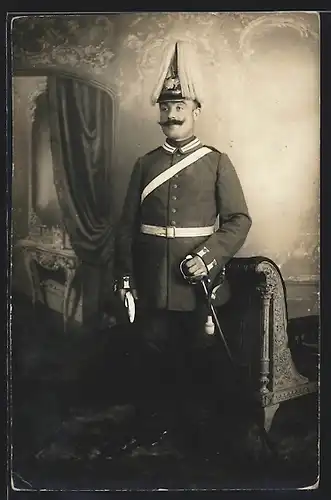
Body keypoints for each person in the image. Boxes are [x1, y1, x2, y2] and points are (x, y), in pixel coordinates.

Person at [113, 40, 252, 453]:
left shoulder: (216, 161)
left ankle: (199, 436)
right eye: (164, 107)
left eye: (180, 106)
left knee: (198, 359)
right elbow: (125, 228)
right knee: (152, 357)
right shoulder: (145, 164)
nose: (170, 115)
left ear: (196, 112)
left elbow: (238, 221)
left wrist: (208, 258)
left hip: (199, 287)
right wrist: (125, 279)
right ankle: (153, 427)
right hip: (152, 285)